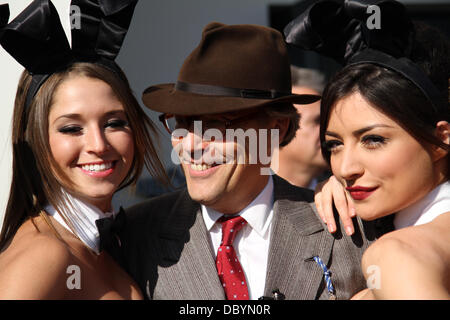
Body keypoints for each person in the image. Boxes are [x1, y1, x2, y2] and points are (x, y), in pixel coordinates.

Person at [98, 21, 391, 300]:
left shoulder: (347, 231)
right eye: (182, 123)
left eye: (216, 124)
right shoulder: (132, 238)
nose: (190, 144)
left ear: (276, 128)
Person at [0, 0, 166, 299]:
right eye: (71, 129)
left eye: (114, 123)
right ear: (35, 140)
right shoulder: (45, 254)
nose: (99, 145)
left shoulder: (108, 244)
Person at [284, 0, 450, 299]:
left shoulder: (396, 255)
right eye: (334, 144)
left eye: (374, 140)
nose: (346, 168)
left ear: (441, 139)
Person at [271, 66, 330, 189]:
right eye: (317, 121)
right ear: (279, 129)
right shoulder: (236, 202)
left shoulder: (343, 202)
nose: (329, 131)